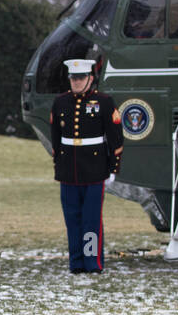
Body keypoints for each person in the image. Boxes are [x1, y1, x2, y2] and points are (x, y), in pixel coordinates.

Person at [49, 58, 124, 273]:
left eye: (81, 77)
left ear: (90, 78)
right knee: (72, 220)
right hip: (68, 171)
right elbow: (56, 137)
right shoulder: (61, 102)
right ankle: (76, 262)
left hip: (94, 170)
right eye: (73, 78)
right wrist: (59, 165)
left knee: (91, 221)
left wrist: (113, 168)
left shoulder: (104, 101)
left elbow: (115, 138)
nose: (77, 82)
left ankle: (92, 262)